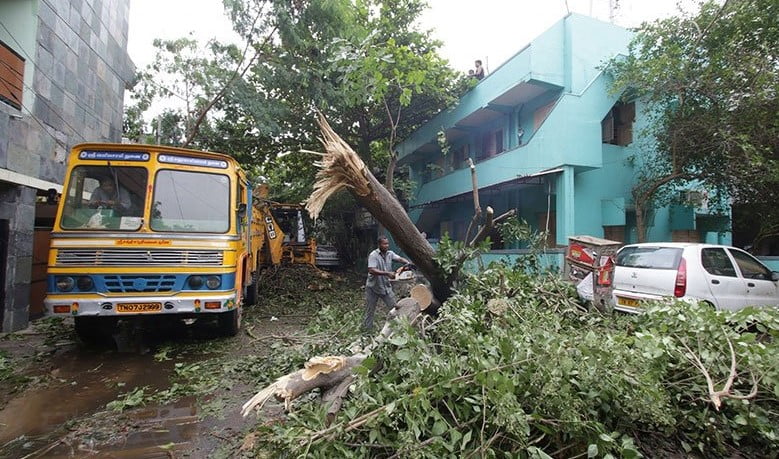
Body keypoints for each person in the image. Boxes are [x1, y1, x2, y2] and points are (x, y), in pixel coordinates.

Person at [363, 235, 411, 332]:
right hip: (373, 288)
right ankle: (367, 332)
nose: (387, 246)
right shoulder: (373, 255)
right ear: (379, 244)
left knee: (395, 308)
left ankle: (400, 330)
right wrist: (387, 273)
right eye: (384, 244)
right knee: (370, 311)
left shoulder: (390, 254)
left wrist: (407, 263)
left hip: (385, 287)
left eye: (387, 244)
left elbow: (400, 259)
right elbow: (371, 270)